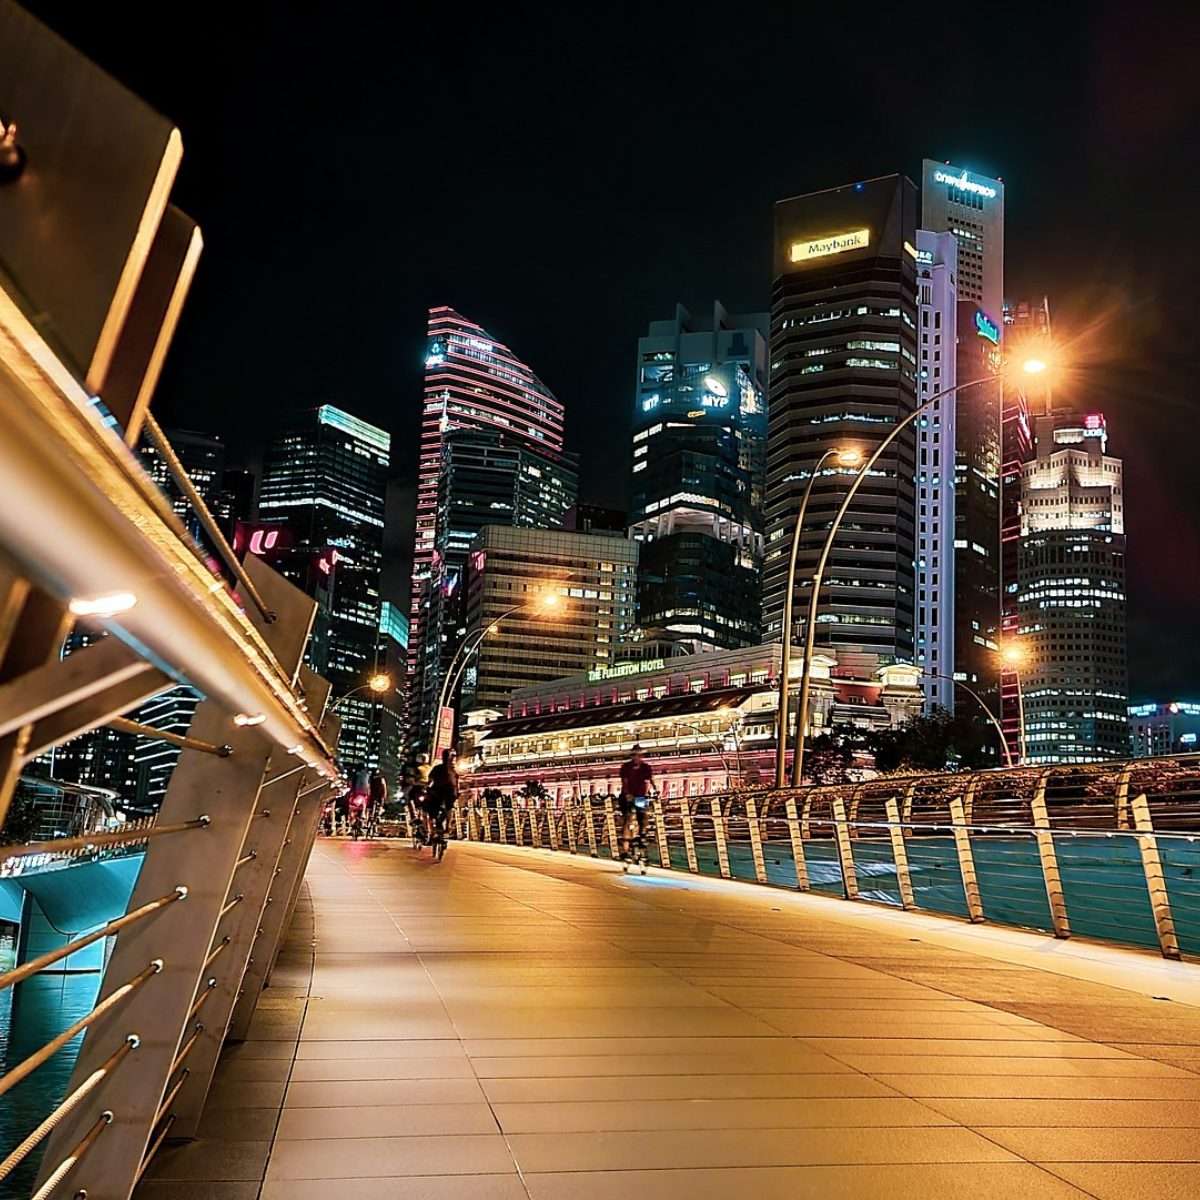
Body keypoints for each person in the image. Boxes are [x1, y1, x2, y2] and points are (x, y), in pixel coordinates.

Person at [618, 744, 654, 861]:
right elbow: (625, 782)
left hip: (640, 796)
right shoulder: (625, 767)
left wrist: (655, 790)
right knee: (627, 819)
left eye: (639, 755)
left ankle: (642, 835)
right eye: (634, 755)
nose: (637, 757)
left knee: (643, 816)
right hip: (626, 796)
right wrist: (627, 794)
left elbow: (649, 780)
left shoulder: (646, 767)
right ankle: (624, 848)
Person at [424, 749, 459, 849]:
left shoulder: (437, 768)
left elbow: (429, 780)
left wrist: (426, 787)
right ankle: (448, 827)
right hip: (451, 793)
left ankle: (432, 833)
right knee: (449, 808)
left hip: (437, 792)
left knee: (431, 812)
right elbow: (456, 783)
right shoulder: (454, 770)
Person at [368, 769, 388, 834]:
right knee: (380, 807)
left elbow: (368, 787)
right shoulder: (381, 779)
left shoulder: (370, 778)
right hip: (379, 795)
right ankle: (378, 815)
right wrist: (384, 796)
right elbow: (384, 788)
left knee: (370, 809)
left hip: (373, 795)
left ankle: (370, 818)